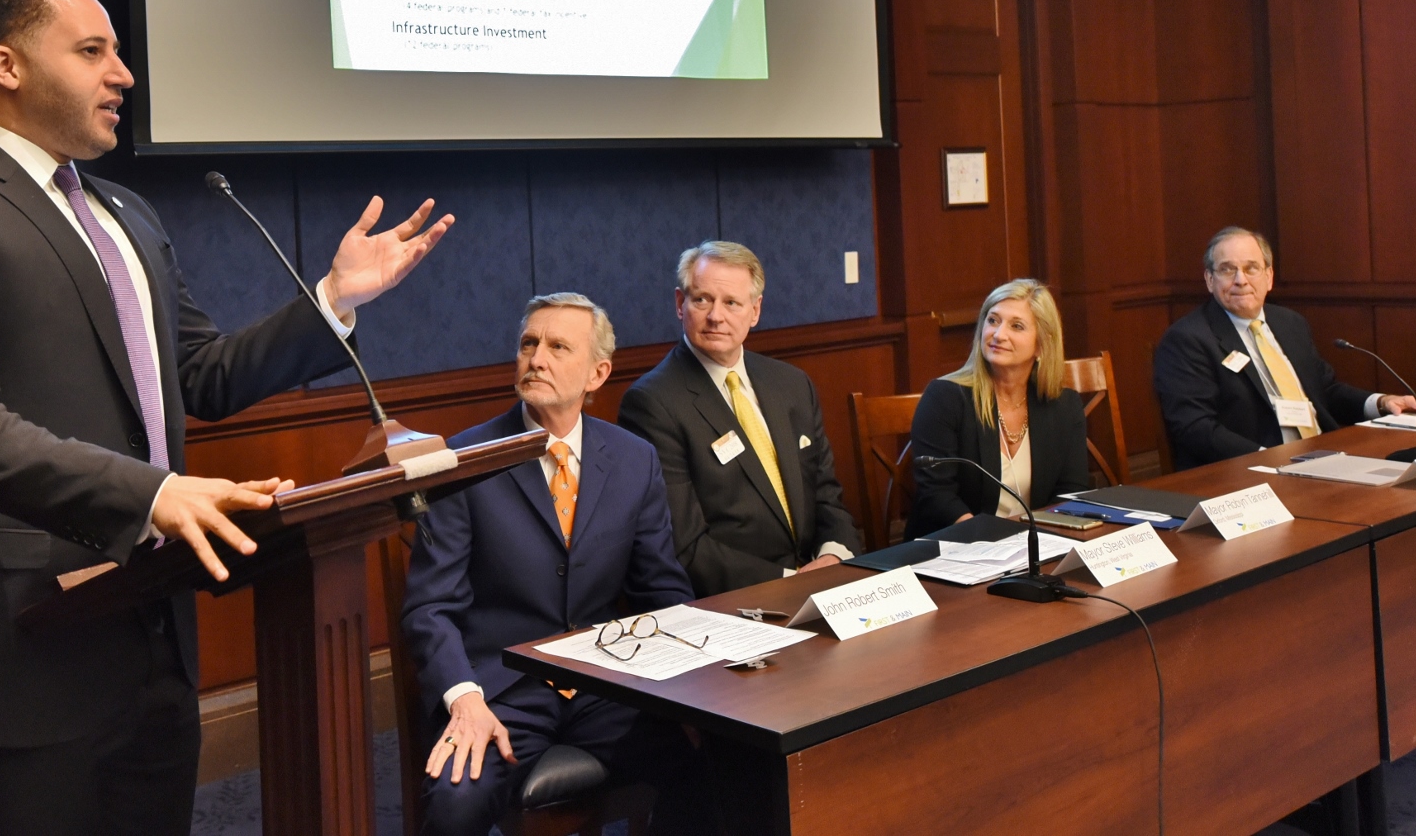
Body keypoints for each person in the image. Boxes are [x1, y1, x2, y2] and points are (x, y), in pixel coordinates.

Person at [0, 0, 452, 836]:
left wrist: (335, 301)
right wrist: (155, 494)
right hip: (15, 649)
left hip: (147, 636)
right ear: (5, 67)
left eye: (118, 52)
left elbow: (203, 376)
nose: (123, 74)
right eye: (92, 51)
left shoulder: (127, 213)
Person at [401, 293, 707, 836]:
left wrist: (707, 670)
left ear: (598, 373)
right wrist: (464, 699)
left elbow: (660, 589)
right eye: (528, 344)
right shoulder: (462, 463)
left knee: (720, 767)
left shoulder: (634, 458)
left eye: (557, 347)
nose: (536, 358)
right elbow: (430, 610)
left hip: (603, 682)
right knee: (454, 801)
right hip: (501, 689)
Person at [618, 241, 862, 597]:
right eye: (702, 299)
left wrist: (834, 556)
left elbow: (827, 497)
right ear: (679, 304)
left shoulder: (792, 384)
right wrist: (791, 582)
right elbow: (685, 546)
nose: (716, 316)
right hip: (736, 600)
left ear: (755, 310)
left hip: (820, 582)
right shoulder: (652, 403)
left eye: (731, 302)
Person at [1153, 226, 1416, 471]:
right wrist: (1270, 460)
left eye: (1252, 268)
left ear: (1269, 276)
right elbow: (1195, 428)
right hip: (1251, 475)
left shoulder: (1289, 323)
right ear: (1209, 280)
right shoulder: (1188, 340)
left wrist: (1382, 402)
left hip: (1324, 457)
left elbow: (1324, 390)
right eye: (1228, 270)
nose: (1241, 280)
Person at [906, 279, 1092, 536]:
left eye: (1016, 326)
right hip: (956, 547)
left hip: (1034, 546)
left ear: (1042, 343)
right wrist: (990, 540)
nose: (998, 334)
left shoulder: (1064, 406)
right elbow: (937, 495)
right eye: (992, 320)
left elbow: (1071, 491)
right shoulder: (944, 398)